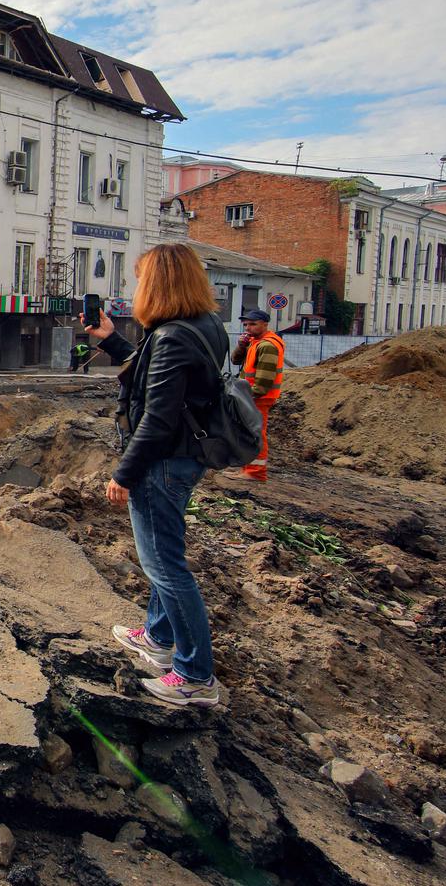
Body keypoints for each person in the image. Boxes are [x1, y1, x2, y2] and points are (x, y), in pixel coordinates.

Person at [82, 243, 228, 708]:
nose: (136, 286)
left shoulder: (172, 337)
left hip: (162, 462)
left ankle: (195, 677)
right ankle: (158, 638)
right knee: (165, 556)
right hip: (184, 457)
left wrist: (124, 474)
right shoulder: (200, 326)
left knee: (164, 566)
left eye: (141, 278)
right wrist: (110, 339)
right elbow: (154, 377)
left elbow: (158, 417)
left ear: (159, 283)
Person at [232, 308, 284, 481]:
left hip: (258, 398)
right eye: (246, 324)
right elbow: (235, 360)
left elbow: (264, 378)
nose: (248, 328)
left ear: (264, 324)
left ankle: (256, 472)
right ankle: (247, 468)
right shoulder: (255, 342)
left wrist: (251, 395)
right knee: (248, 432)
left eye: (252, 324)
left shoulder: (267, 345)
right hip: (251, 396)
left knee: (255, 433)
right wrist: (241, 346)